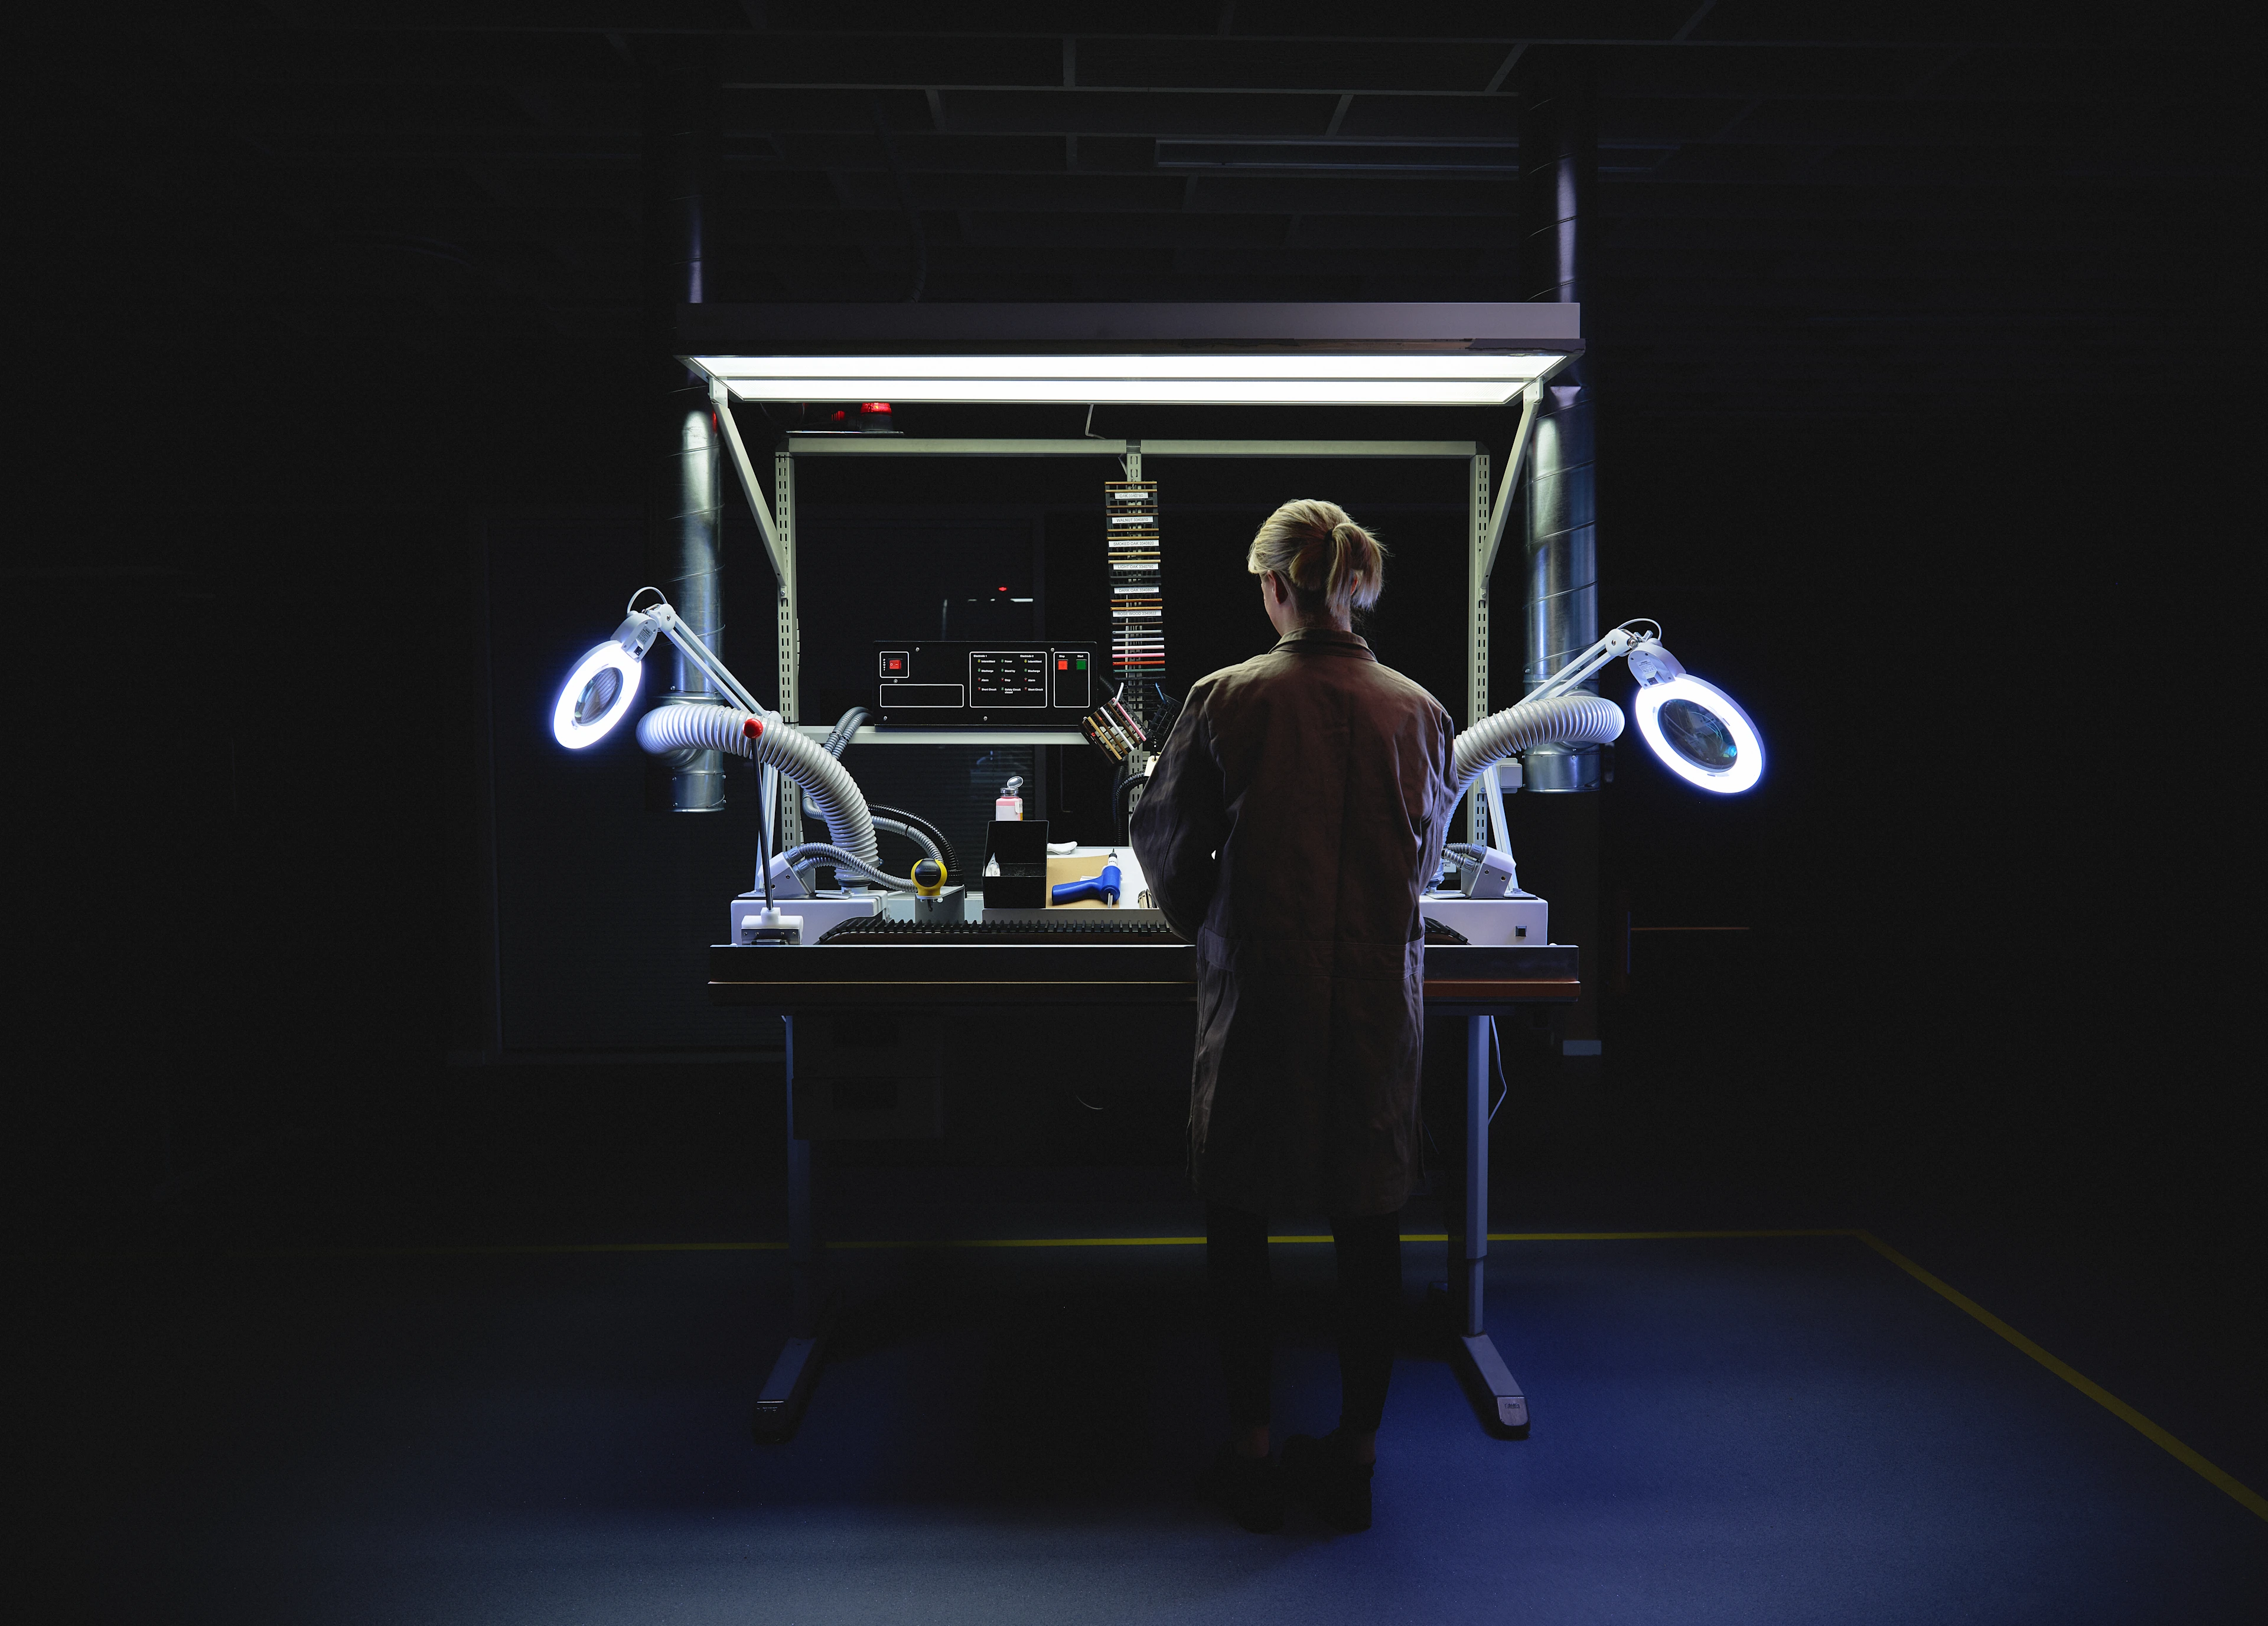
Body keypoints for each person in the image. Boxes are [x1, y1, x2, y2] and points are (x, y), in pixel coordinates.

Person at [1131, 499, 1456, 1534]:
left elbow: (1169, 849)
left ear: (1276, 586)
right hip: (1374, 1004)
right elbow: (1425, 861)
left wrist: (1213, 923)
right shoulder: (1420, 710)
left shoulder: (1225, 699)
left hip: (1260, 997)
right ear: (1353, 584)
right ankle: (1355, 1460)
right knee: (1370, 1225)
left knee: (1241, 1221)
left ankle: (1252, 1451)